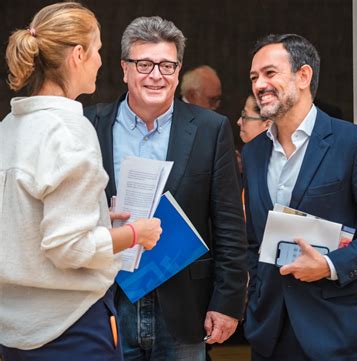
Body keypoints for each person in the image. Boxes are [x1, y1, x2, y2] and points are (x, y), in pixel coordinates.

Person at [0, 3, 162, 361]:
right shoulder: (69, 129)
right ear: (78, 54)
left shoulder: (7, 129)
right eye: (99, 49)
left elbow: (26, 224)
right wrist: (138, 234)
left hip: (13, 332)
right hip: (71, 328)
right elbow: (68, 248)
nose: (101, 61)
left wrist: (100, 219)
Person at [84, 16, 247, 361]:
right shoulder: (89, 124)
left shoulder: (210, 129)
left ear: (178, 70)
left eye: (166, 65)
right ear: (124, 68)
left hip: (184, 305)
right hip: (108, 300)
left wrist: (227, 303)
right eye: (144, 64)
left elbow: (229, 225)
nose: (156, 75)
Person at [242, 34, 357, 361]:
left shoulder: (354, 144)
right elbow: (254, 241)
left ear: (303, 76)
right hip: (272, 331)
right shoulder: (253, 152)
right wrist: (255, 298)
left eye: (269, 73)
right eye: (253, 77)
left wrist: (329, 265)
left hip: (342, 330)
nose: (259, 84)